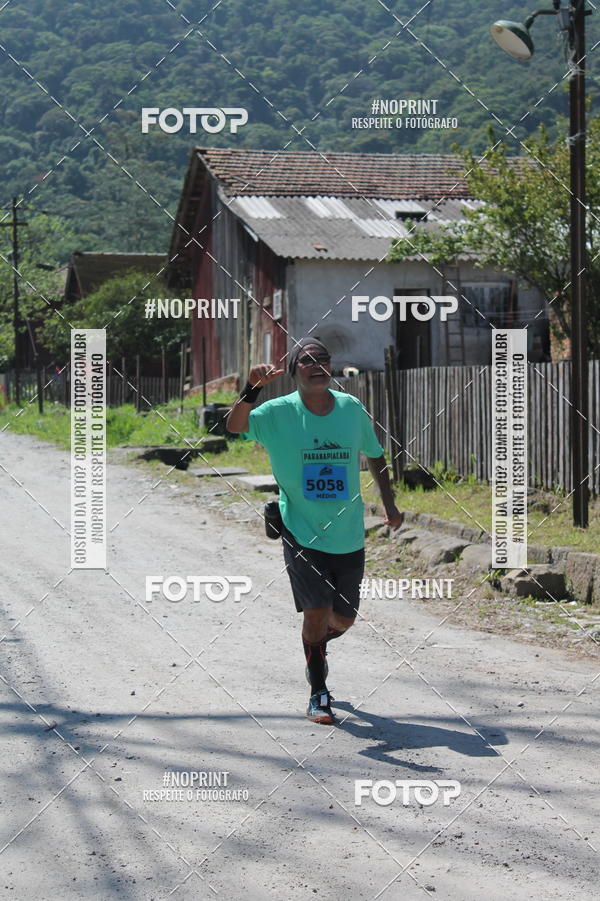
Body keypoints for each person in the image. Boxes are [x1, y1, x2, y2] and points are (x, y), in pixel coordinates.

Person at [226, 338, 403, 724]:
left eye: (323, 358)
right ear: (294, 372)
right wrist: (252, 388)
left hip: (347, 532)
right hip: (299, 528)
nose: (317, 364)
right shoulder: (277, 413)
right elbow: (233, 426)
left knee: (344, 619)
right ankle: (318, 691)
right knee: (317, 610)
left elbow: (374, 453)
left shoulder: (351, 410)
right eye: (306, 360)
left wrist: (389, 503)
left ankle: (315, 647)